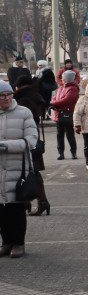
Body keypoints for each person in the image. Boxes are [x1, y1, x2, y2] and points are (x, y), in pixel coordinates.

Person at [0, 80, 38, 259]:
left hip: (18, 168)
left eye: (8, 95)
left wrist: (5, 146)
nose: (6, 98)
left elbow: (31, 141)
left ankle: (18, 243)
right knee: (1, 209)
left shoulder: (24, 113)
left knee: (16, 209)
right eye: (2, 96)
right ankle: (6, 242)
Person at [13, 75, 49, 216]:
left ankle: (34, 202)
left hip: (24, 138)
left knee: (29, 171)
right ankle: (41, 201)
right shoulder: (33, 96)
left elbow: (19, 120)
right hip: (32, 137)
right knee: (33, 170)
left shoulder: (23, 100)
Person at [50, 70, 79, 160]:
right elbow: (56, 97)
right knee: (59, 135)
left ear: (67, 79)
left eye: (63, 78)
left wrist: (53, 103)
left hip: (68, 113)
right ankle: (61, 153)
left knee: (70, 134)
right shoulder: (61, 87)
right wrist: (54, 102)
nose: (62, 79)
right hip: (59, 114)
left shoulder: (73, 88)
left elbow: (67, 100)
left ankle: (73, 152)